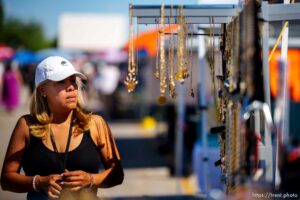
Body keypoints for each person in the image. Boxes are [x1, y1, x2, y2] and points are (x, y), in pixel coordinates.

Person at [0, 56, 124, 200]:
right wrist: (39, 182)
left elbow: (117, 174)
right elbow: (6, 180)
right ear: (42, 90)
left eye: (73, 81)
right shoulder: (27, 125)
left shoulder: (95, 124)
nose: (71, 87)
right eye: (61, 82)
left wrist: (90, 179)